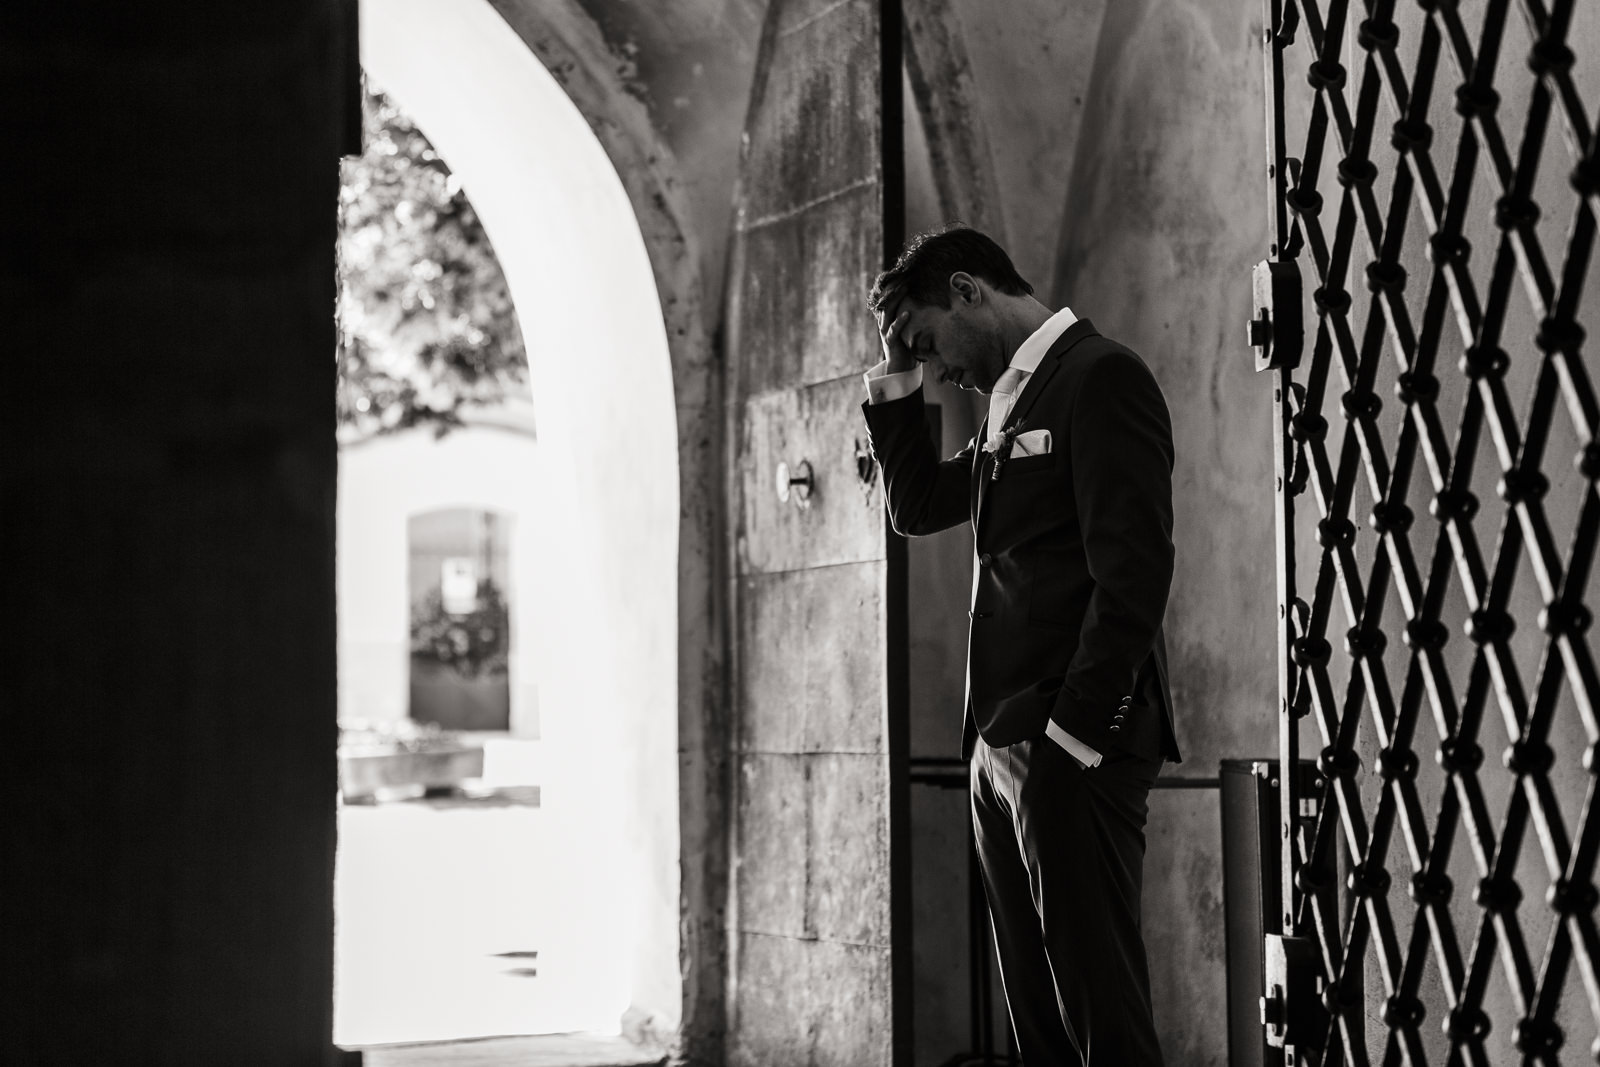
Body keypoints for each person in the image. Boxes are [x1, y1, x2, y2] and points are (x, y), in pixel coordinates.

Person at [860, 225, 1181, 1065]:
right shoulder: (1010, 399)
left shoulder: (1100, 377)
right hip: (996, 747)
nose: (938, 369)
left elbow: (1135, 579)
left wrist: (1071, 737)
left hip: (1069, 746)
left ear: (969, 290)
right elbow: (919, 503)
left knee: (1100, 1015)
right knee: (1038, 1023)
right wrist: (892, 373)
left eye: (928, 343)